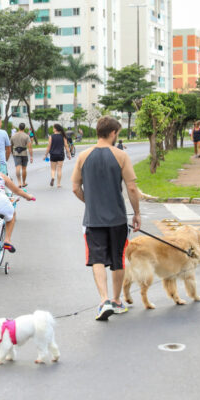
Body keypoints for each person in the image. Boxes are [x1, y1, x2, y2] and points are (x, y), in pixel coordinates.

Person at [71, 116, 141, 321]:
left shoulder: (83, 156)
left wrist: (90, 203)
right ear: (113, 133)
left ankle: (104, 301)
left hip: (93, 219)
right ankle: (117, 301)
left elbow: (75, 187)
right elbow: (132, 187)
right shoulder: (121, 156)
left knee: (97, 259)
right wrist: (136, 213)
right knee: (118, 259)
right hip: (118, 218)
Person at [44, 124, 71, 188]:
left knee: (53, 169)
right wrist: (69, 154)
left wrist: (46, 154)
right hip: (60, 155)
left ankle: (53, 177)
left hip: (53, 154)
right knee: (59, 169)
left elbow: (49, 146)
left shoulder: (51, 136)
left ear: (56, 129)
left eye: (53, 128)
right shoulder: (63, 136)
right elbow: (66, 146)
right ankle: (58, 184)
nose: (53, 129)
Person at [10, 123, 33, 187]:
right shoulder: (26, 136)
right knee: (24, 168)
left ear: (18, 127)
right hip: (24, 153)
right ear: (24, 128)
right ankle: (23, 182)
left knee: (17, 167)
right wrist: (31, 156)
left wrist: (12, 152)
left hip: (16, 153)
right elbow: (30, 147)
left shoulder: (13, 136)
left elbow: (10, 146)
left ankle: (19, 182)